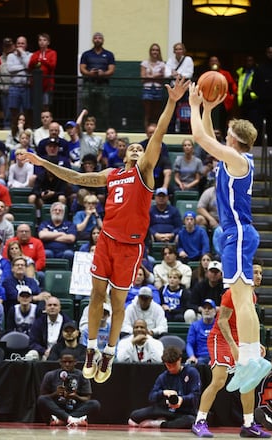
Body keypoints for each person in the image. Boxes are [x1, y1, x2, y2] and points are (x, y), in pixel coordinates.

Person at [19, 77, 190, 384]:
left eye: (141, 147)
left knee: (117, 300)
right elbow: (74, 176)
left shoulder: (145, 173)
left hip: (130, 246)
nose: (138, 150)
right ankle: (91, 348)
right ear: (124, 155)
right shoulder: (111, 174)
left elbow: (160, 134)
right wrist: (42, 162)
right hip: (107, 240)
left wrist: (172, 102)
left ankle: (109, 352)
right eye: (133, 148)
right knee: (96, 297)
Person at [189, 79, 272, 394]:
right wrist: (209, 109)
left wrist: (195, 104)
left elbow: (199, 137)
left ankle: (251, 357)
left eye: (227, 136)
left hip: (237, 233)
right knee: (241, 298)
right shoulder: (235, 158)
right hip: (238, 234)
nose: (222, 138)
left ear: (235, 140)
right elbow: (209, 135)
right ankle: (250, 358)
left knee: (242, 299)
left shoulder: (236, 160)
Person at [191, 263, 271, 438]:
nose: (258, 276)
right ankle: (199, 421)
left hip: (240, 338)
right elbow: (222, 321)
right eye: (254, 272)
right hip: (221, 338)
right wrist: (234, 347)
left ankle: (248, 424)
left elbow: (249, 322)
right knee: (219, 381)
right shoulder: (231, 293)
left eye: (260, 273)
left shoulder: (253, 296)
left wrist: (255, 343)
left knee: (249, 381)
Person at [128, 346, 202, 429]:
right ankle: (165, 421)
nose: (172, 368)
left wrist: (182, 399)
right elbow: (151, 397)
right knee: (135, 415)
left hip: (184, 412)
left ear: (180, 360)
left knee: (191, 420)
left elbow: (195, 395)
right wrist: (163, 393)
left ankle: (161, 424)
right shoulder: (163, 377)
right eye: (168, 365)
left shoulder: (191, 372)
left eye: (174, 365)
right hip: (165, 410)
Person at [37, 352, 101, 427]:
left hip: (75, 407)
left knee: (95, 404)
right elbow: (43, 396)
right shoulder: (50, 375)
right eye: (64, 362)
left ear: (75, 362)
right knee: (41, 399)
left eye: (70, 362)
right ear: (60, 362)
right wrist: (55, 394)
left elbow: (87, 398)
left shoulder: (82, 375)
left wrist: (75, 396)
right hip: (57, 408)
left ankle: (63, 420)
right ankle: (73, 420)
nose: (67, 364)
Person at [79, 32, 115, 129]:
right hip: (89, 83)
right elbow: (82, 69)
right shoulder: (86, 54)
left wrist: (103, 74)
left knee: (104, 108)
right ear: (93, 40)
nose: (97, 40)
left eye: (99, 38)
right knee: (87, 107)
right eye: (95, 38)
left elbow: (111, 70)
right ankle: (85, 128)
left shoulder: (109, 54)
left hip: (103, 84)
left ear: (103, 40)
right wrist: (90, 73)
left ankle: (103, 128)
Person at [28, 33, 57, 111]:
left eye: (44, 40)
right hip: (36, 84)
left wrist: (43, 61)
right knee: (36, 106)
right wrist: (38, 60)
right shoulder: (35, 54)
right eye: (40, 40)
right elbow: (30, 66)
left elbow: (53, 65)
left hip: (48, 85)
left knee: (46, 105)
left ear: (48, 42)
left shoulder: (52, 53)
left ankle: (46, 122)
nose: (42, 42)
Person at [141, 43, 167, 127]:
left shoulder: (162, 64)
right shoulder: (144, 63)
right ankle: (146, 130)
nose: (154, 52)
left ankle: (157, 131)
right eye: (153, 50)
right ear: (150, 51)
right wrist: (156, 76)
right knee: (147, 112)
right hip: (147, 88)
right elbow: (143, 78)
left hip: (158, 89)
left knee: (157, 112)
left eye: (156, 50)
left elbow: (162, 78)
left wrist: (150, 76)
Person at [185, 299, 216, 365]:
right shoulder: (194, 325)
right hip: (199, 358)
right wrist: (192, 356)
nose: (206, 310)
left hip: (216, 358)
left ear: (215, 311)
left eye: (210, 308)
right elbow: (190, 344)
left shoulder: (219, 325)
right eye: (204, 308)